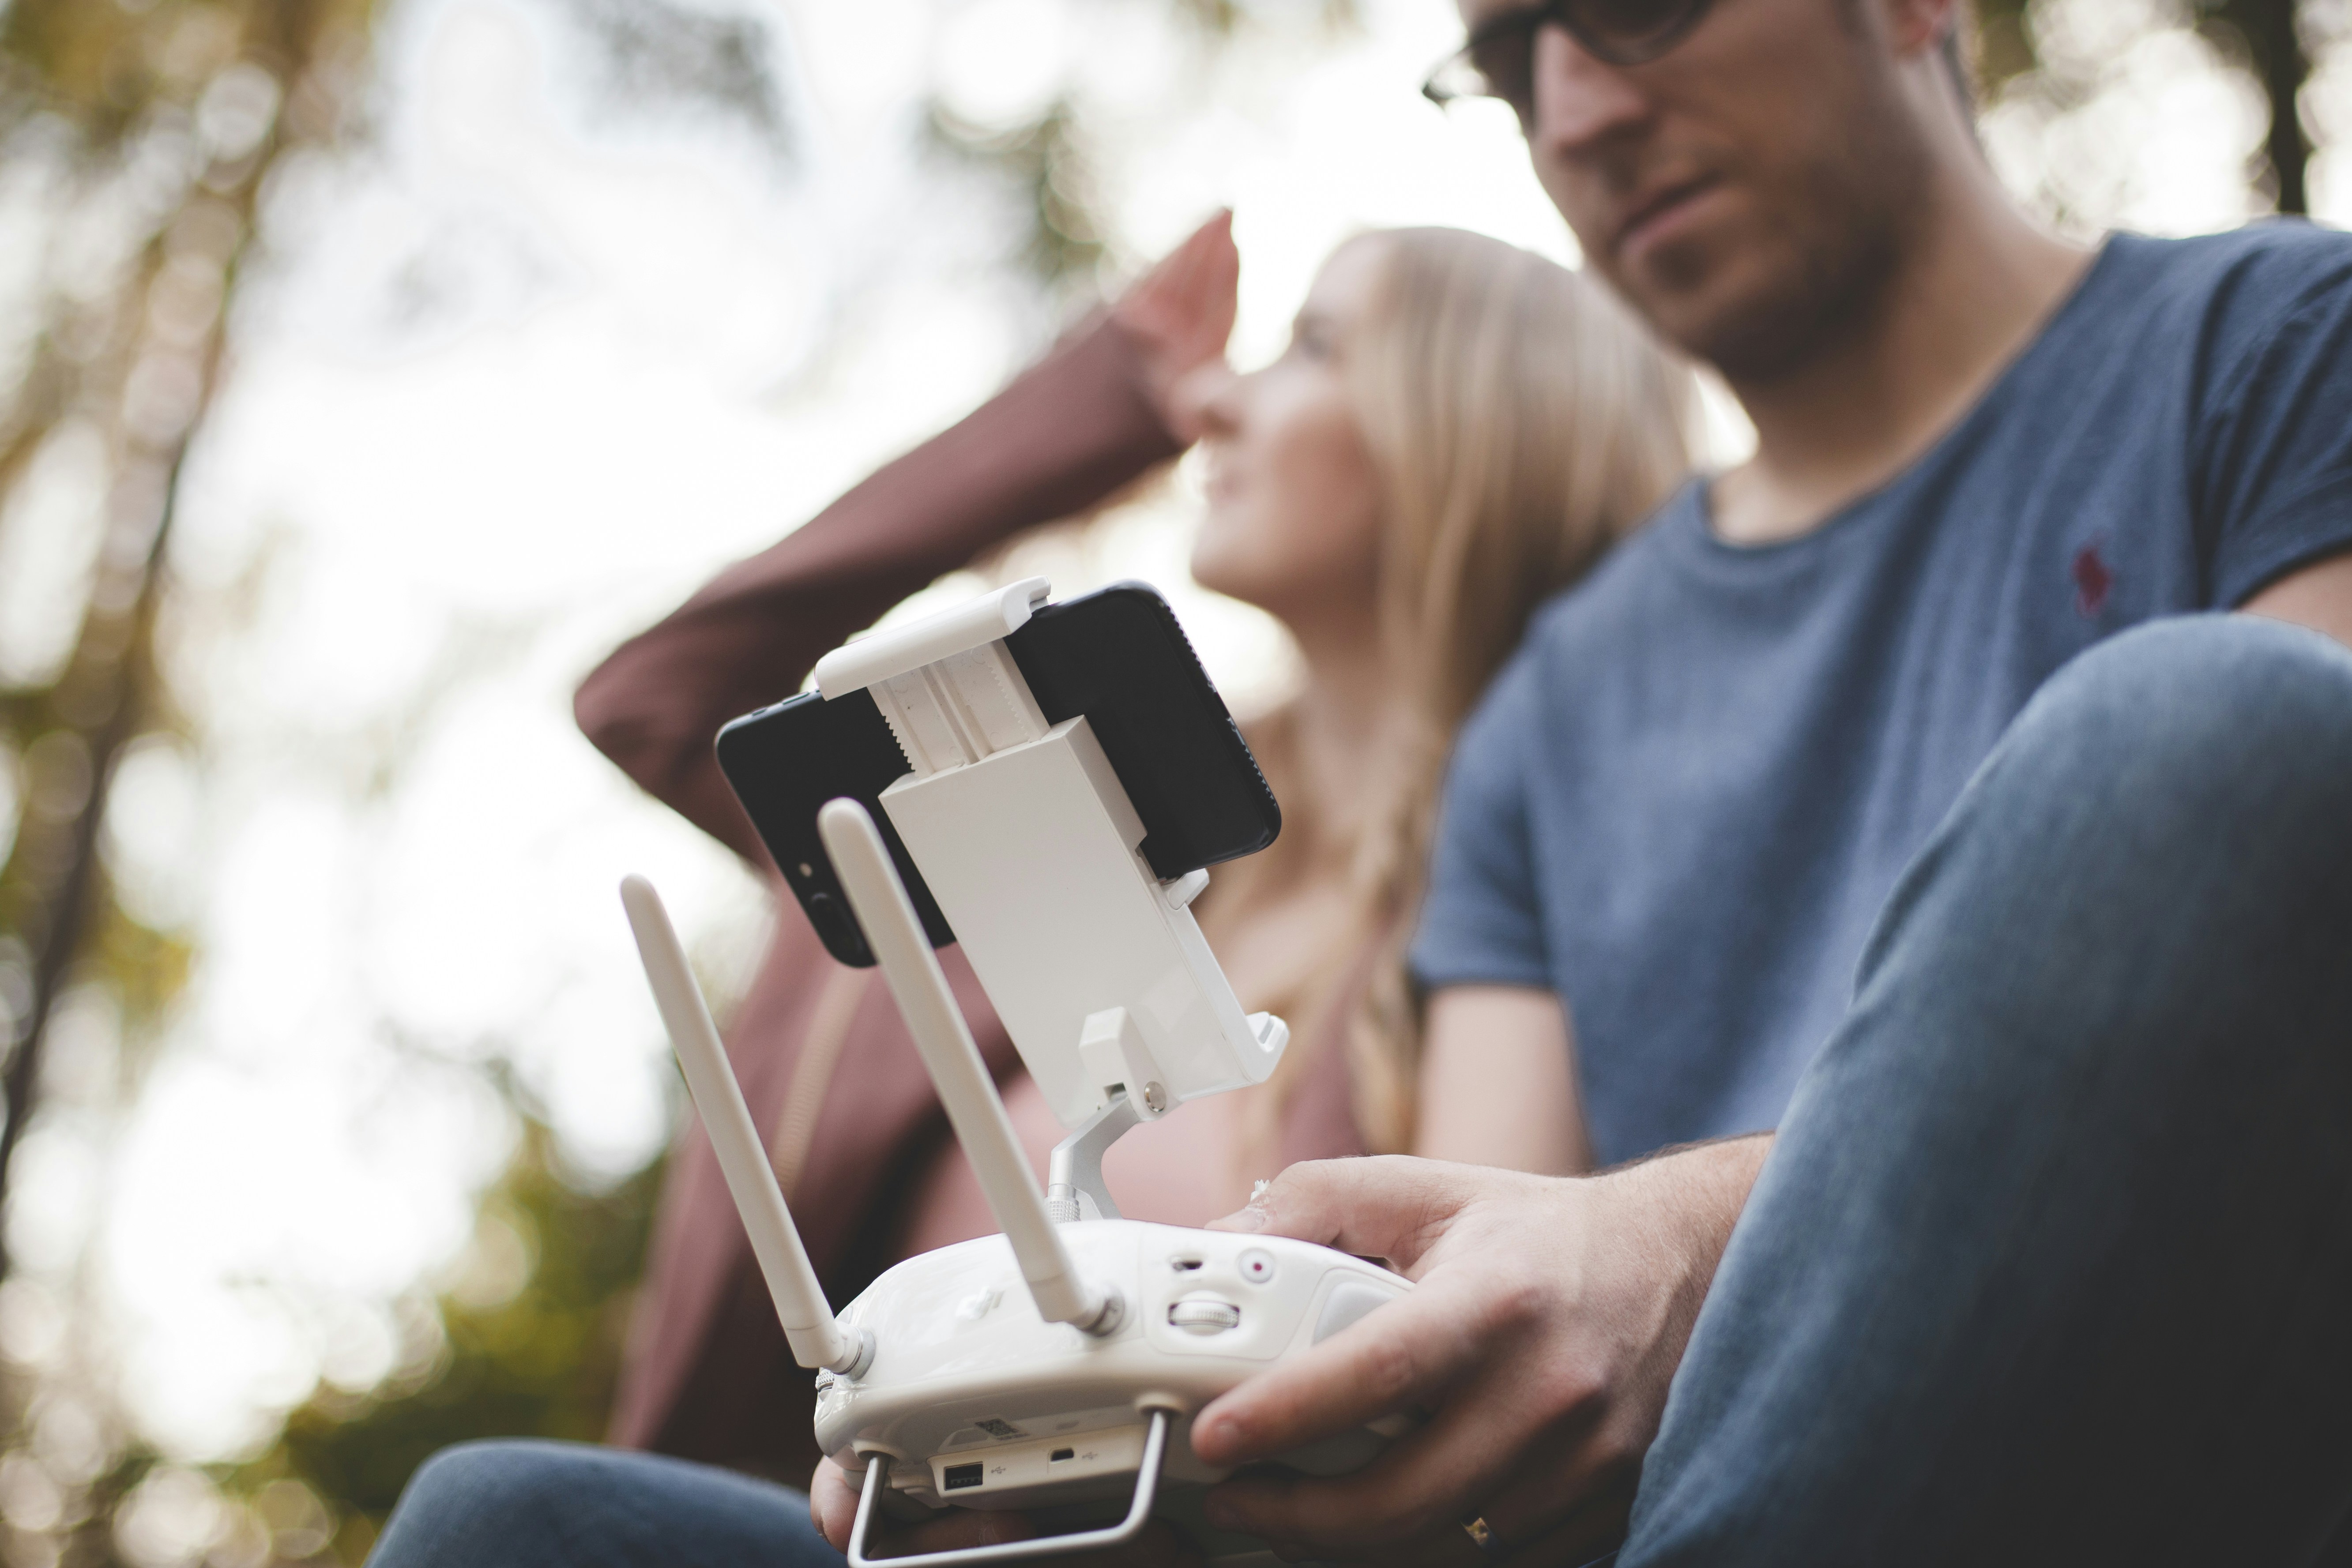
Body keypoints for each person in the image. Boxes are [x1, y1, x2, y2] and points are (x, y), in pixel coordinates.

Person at [922, 0, 2352, 1564]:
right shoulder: (1547, 711)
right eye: (1511, 60)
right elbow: (1482, 1303)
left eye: (1630, 8)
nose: (1574, 111)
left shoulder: (2282, 356)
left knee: (2213, 729)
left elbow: (2286, 932)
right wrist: (1028, 1424)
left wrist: (1674, 1239)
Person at [366, 217, 1690, 1562]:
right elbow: (664, 698)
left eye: (1313, 347)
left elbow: (1488, 1377)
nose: (1219, 397)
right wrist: (1091, 409)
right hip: (844, 1527)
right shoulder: (1057, 821)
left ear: (1477, 434)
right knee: (511, 1520)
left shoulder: (1545, 898)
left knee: (497, 1514)